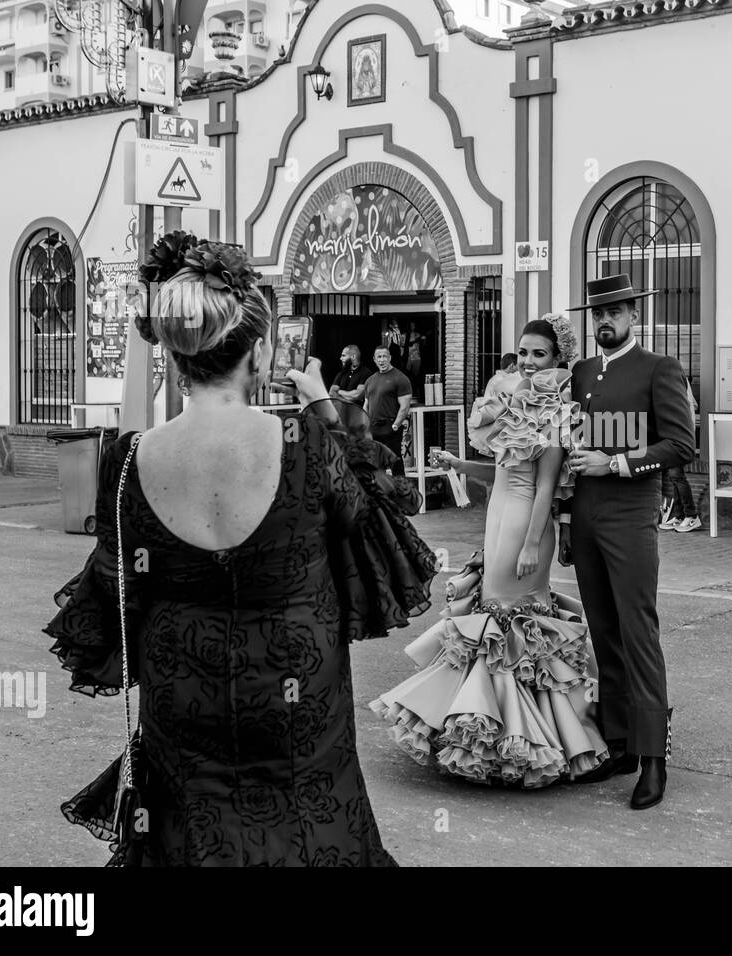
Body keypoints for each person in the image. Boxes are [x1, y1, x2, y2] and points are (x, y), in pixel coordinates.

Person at [45, 234, 439, 866]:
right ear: (258, 351)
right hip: (298, 694)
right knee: (311, 828)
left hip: (182, 697)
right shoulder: (302, 441)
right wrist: (325, 407)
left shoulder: (127, 460)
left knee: (191, 836)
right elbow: (376, 521)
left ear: (176, 358)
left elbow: (117, 588)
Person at [372, 317, 611, 787]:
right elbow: (500, 473)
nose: (527, 361)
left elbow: (546, 487)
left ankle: (521, 740)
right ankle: (484, 729)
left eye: (539, 354)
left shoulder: (559, 414)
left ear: (558, 360)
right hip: (499, 515)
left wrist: (529, 544)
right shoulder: (507, 404)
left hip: (526, 524)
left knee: (505, 619)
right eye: (523, 352)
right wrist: (460, 464)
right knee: (490, 612)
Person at [561, 273, 696, 811]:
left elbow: (681, 443)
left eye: (615, 311)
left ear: (634, 316)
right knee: (603, 630)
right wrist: (567, 518)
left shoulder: (659, 368)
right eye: (597, 314)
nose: (605, 321)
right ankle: (617, 744)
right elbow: (570, 444)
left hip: (631, 511)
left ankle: (653, 758)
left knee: (638, 630)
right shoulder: (582, 371)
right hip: (587, 514)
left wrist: (617, 461)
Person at [659, 384, 702, 532]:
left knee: (676, 475)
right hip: (676, 435)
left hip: (678, 436)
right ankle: (679, 515)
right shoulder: (676, 379)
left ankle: (691, 516)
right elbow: (693, 404)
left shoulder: (673, 379)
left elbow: (689, 405)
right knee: (674, 476)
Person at [364, 346, 412, 474]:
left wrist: (395, 425)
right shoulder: (370, 380)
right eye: (379, 357)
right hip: (373, 428)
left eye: (385, 356)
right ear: (374, 359)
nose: (382, 360)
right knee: (375, 465)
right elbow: (366, 405)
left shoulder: (400, 378)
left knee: (395, 464)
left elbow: (405, 406)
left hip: (390, 428)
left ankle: (402, 492)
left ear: (390, 358)